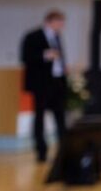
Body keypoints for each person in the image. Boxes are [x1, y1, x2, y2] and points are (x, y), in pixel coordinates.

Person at [20, 9, 68, 162]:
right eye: (59, 22)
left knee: (60, 117)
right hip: (41, 84)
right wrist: (46, 55)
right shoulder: (33, 36)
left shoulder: (57, 37)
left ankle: (64, 151)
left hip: (57, 82)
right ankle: (41, 151)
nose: (61, 26)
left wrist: (63, 70)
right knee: (39, 118)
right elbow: (25, 57)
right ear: (49, 21)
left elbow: (59, 60)